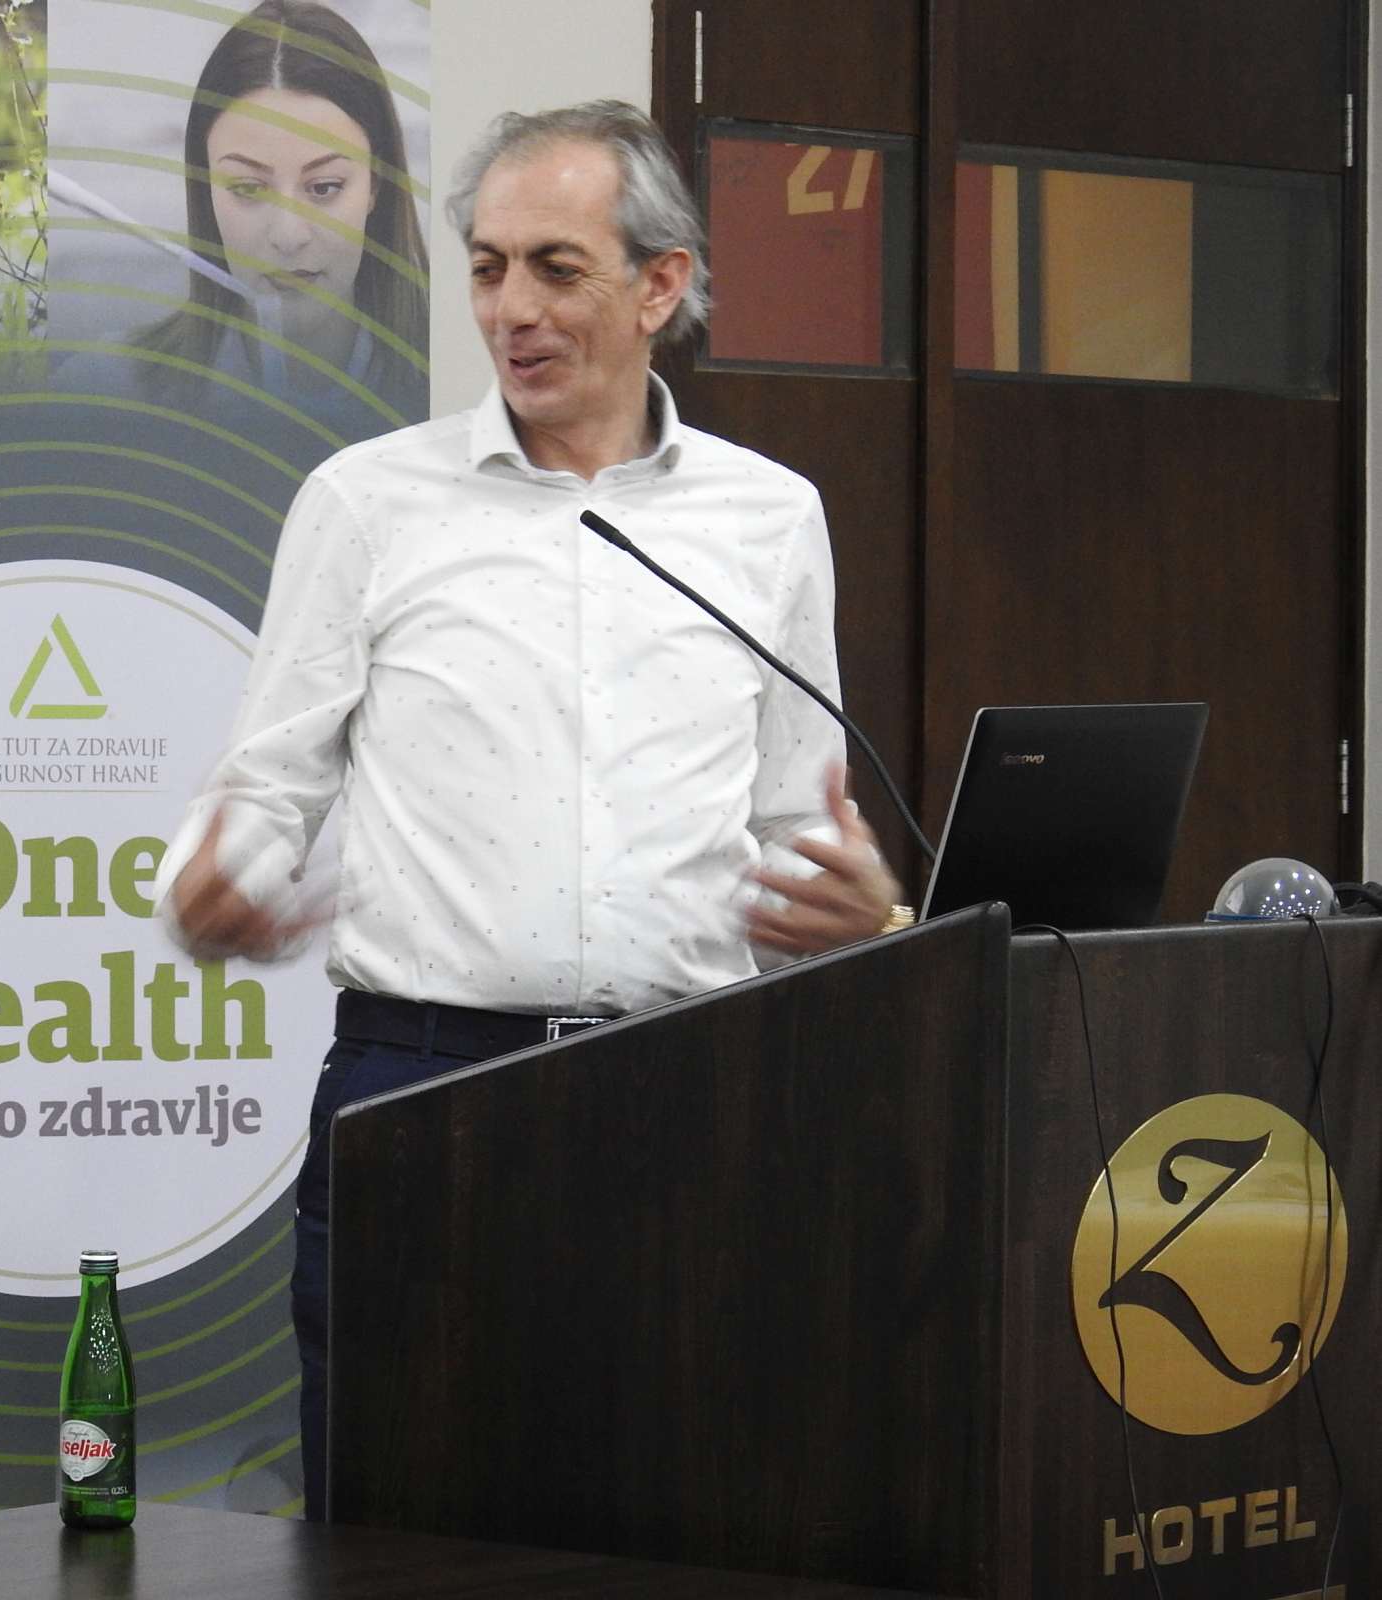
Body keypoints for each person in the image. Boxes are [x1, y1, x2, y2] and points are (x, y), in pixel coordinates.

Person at [152, 100, 899, 1518]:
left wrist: (854, 910)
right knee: (401, 1524)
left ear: (659, 284)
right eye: (488, 267)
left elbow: (794, 818)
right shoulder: (367, 503)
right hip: (420, 1087)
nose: (511, 308)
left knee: (678, 1515)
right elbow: (265, 781)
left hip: (690, 1088)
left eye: (556, 267)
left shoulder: (768, 517)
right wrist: (216, 880)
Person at [131, 0, 429, 448]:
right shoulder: (110, 390)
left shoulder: (462, 390)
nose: (288, 237)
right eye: (249, 189)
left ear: (376, 186)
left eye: (324, 187)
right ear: (205, 188)